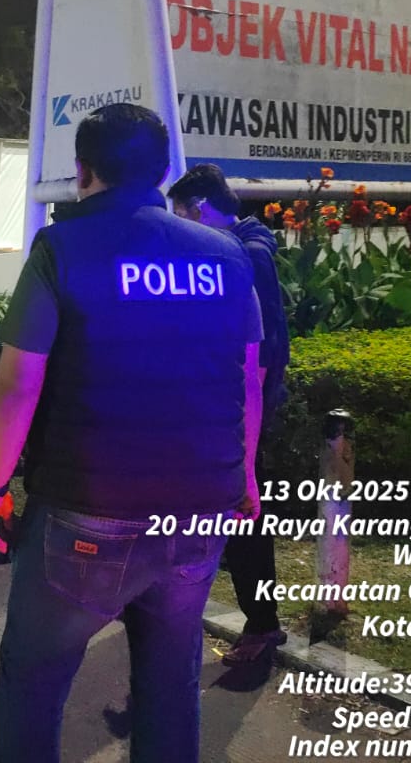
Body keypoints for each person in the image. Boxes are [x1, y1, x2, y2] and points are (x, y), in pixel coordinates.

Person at [0, 104, 263, 763]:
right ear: (163, 172)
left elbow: (17, 385)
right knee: (170, 685)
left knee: (32, 685)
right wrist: (245, 474)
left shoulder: (62, 249)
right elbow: (248, 378)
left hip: (87, 514)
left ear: (84, 171)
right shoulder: (227, 256)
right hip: (200, 510)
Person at [168, 162, 290, 665]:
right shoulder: (239, 248)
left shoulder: (247, 256)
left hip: (239, 409)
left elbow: (257, 354)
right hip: (224, 404)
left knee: (245, 513)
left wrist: (245, 427)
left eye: (181, 216)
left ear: (200, 209)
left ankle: (262, 625)